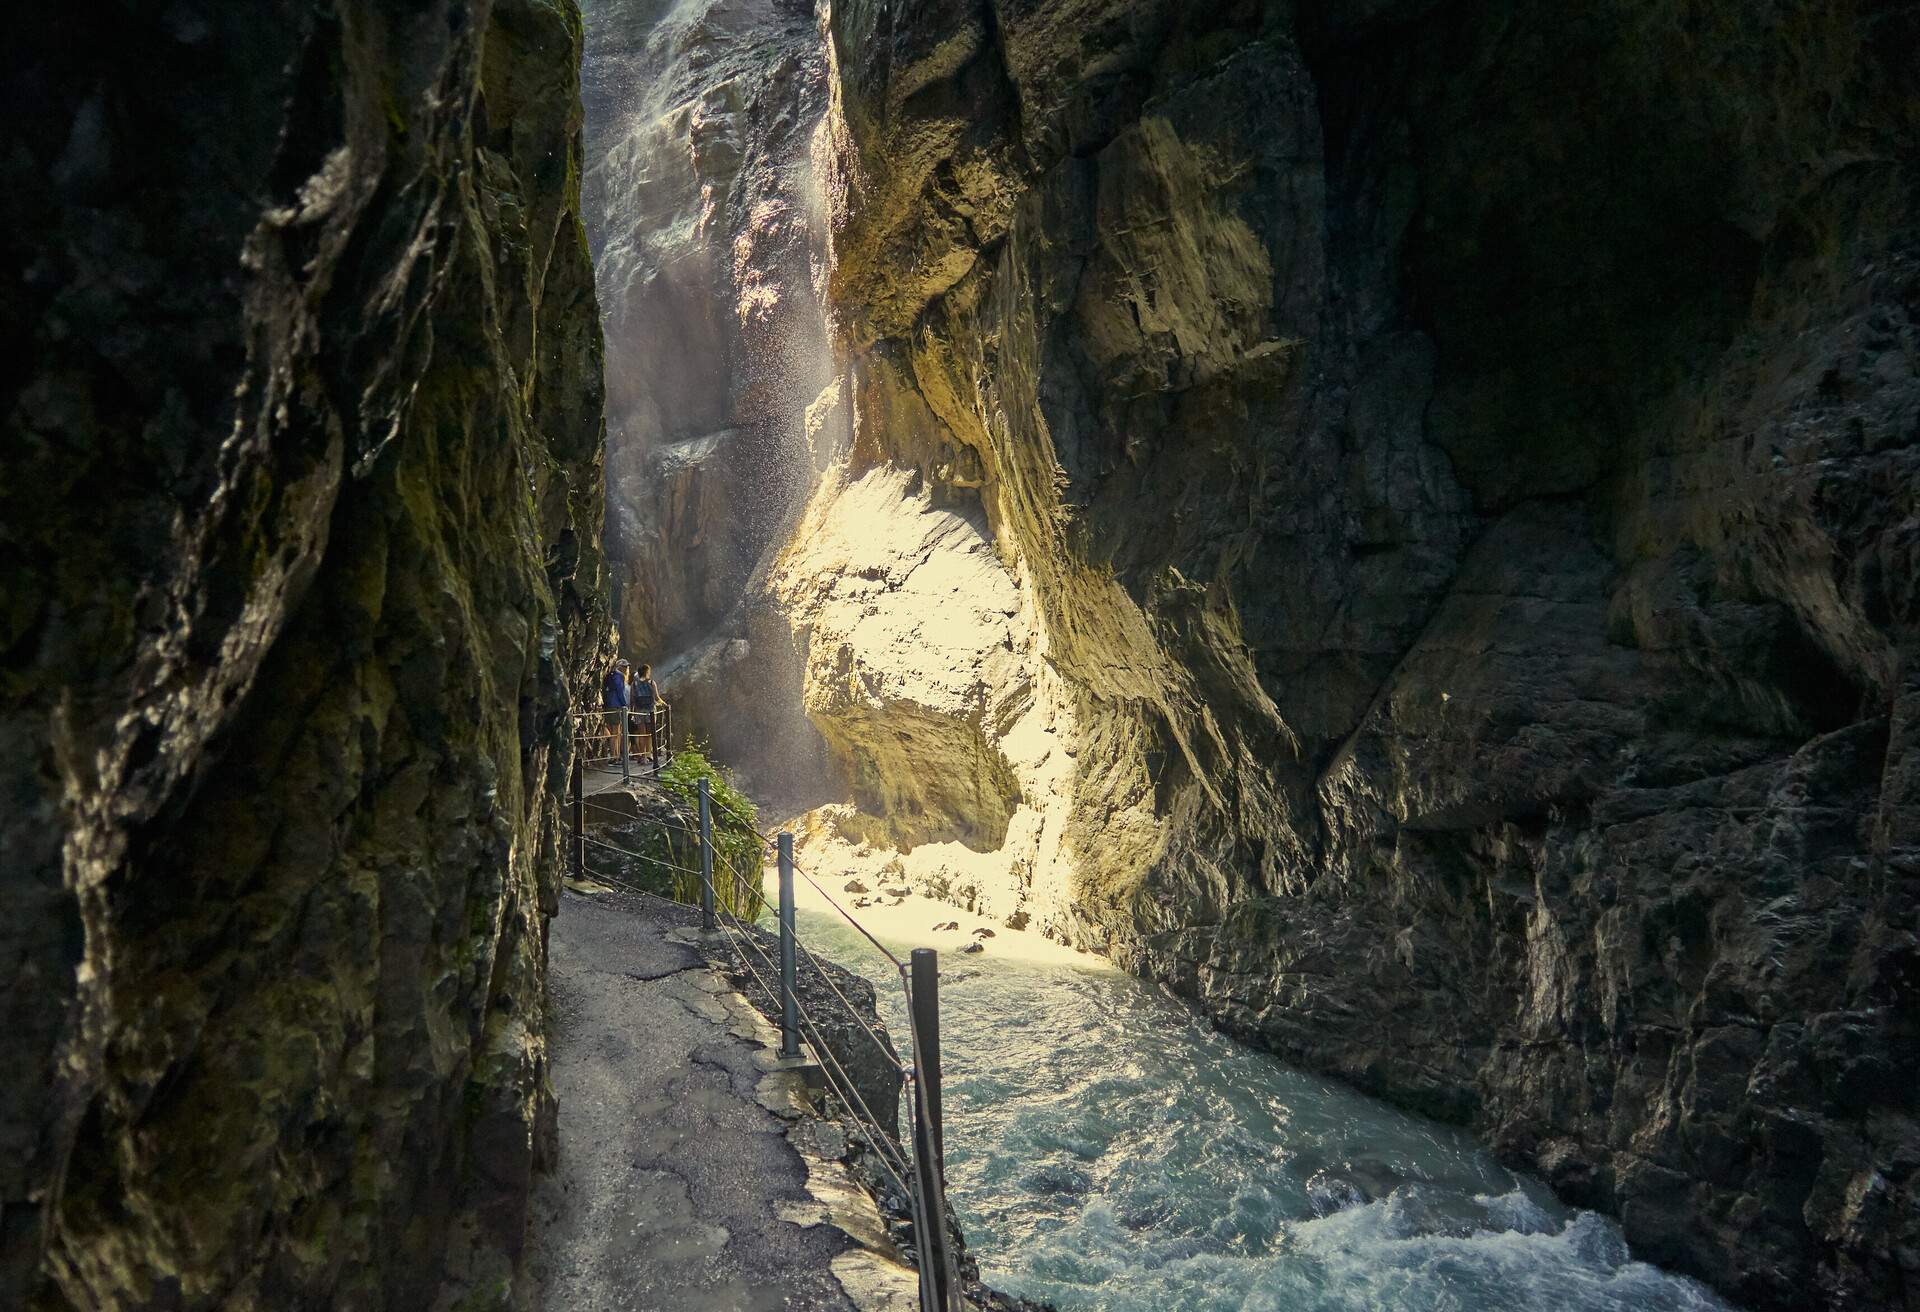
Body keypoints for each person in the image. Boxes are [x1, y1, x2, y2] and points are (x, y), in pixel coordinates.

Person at [601, 658, 631, 774]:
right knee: (616, 733)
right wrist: (625, 704)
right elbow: (620, 691)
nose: (627, 669)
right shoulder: (619, 676)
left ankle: (616, 756)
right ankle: (615, 757)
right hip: (616, 706)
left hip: (609, 705)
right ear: (621, 667)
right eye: (626, 667)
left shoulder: (610, 675)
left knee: (615, 732)